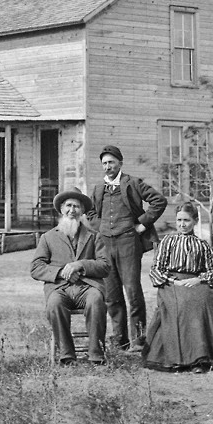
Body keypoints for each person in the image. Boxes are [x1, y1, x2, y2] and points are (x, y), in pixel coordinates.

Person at [141, 202, 213, 372]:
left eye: (186, 220)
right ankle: (182, 358)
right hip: (170, 283)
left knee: (205, 301)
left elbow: (212, 273)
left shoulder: (202, 245)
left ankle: (203, 358)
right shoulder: (168, 241)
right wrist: (173, 281)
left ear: (195, 221)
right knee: (184, 303)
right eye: (179, 220)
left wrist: (198, 279)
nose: (182, 224)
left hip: (196, 282)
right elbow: (156, 269)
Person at [87, 145, 168, 352]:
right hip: (105, 245)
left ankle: (139, 340)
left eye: (111, 162)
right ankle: (119, 340)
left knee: (132, 292)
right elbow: (90, 213)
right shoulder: (98, 189)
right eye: (104, 163)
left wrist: (142, 223)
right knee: (111, 295)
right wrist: (100, 228)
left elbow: (159, 200)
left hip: (128, 243)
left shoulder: (132, 183)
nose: (107, 167)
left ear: (120, 163)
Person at [30, 189, 111, 366]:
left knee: (96, 300)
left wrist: (80, 265)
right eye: (68, 206)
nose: (72, 210)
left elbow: (105, 266)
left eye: (76, 206)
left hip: (87, 287)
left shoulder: (94, 237)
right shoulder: (48, 237)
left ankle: (96, 354)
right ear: (61, 209)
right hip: (60, 288)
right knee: (54, 304)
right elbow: (36, 268)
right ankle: (66, 354)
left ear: (82, 211)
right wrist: (60, 272)